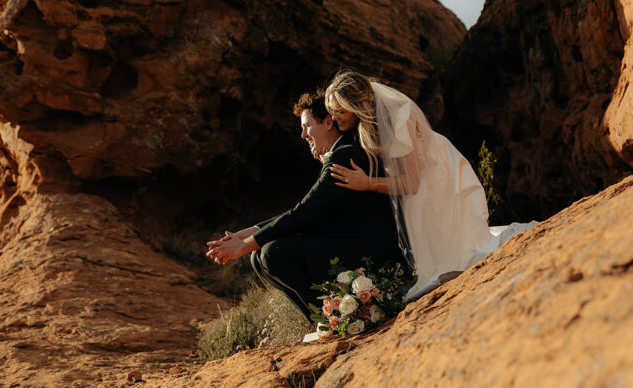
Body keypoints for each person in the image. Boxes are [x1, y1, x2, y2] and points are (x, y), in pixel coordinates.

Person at [324, 69, 536, 301]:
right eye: (331, 112)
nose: (334, 118)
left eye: (339, 111)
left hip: (437, 177)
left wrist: (367, 183)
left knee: (455, 256)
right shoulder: (365, 122)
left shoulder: (397, 118)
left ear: (356, 105)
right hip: (417, 177)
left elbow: (412, 183)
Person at [205, 91, 408, 322]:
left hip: (370, 250)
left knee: (273, 254)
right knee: (259, 256)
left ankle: (338, 318)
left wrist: (243, 246)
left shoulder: (345, 156)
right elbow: (305, 210)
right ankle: (325, 320)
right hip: (350, 242)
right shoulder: (339, 154)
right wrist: (241, 237)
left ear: (328, 122)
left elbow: (303, 213)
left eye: (307, 126)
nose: (303, 135)